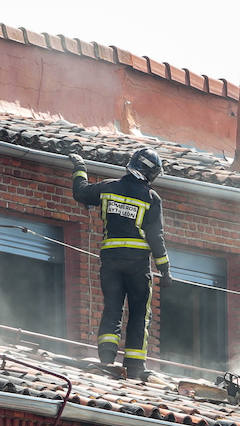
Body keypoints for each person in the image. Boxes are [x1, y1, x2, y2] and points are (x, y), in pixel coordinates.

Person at [69, 147, 171, 380]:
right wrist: (165, 270)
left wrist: (80, 168)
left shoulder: (108, 188)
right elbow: (156, 237)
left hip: (111, 261)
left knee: (112, 308)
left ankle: (106, 360)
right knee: (138, 314)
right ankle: (135, 365)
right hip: (137, 266)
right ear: (151, 173)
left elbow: (81, 193)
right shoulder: (151, 198)